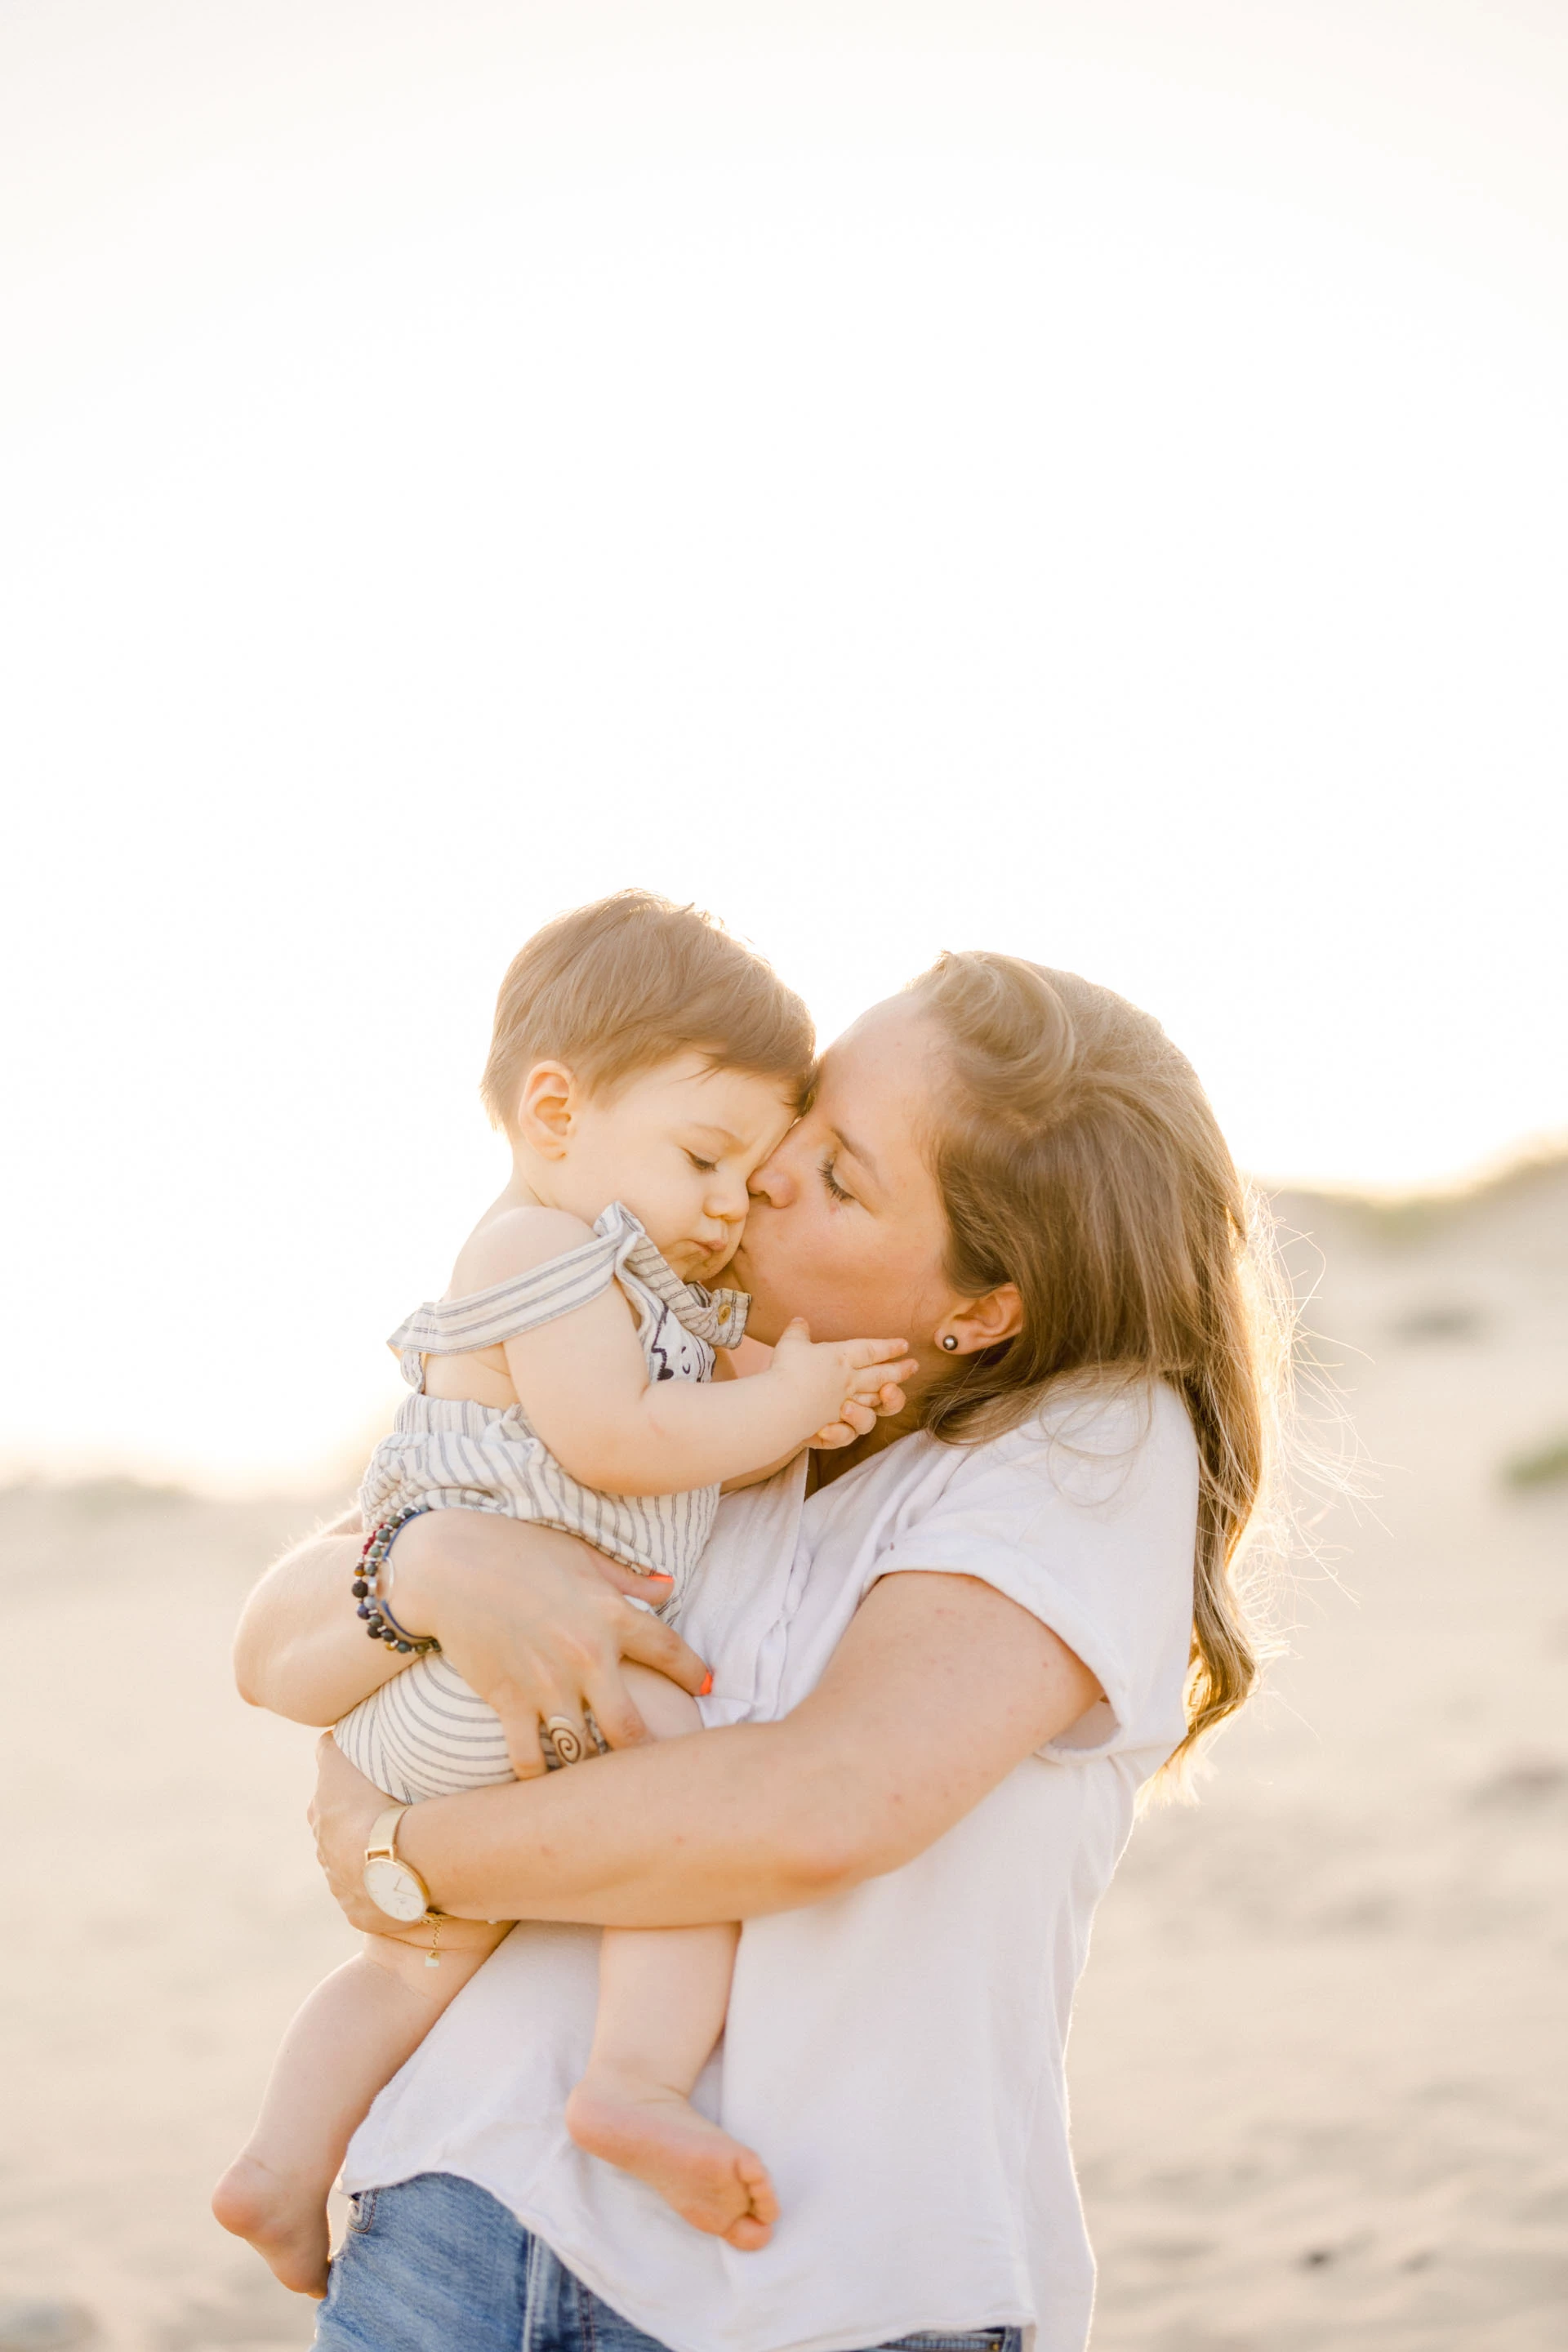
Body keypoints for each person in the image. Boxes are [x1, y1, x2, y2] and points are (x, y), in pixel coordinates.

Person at [235, 944, 1285, 2352]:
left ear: (984, 1307)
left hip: (818, 2284)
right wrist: (434, 1560)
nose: (769, 1176)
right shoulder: (667, 1367)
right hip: (460, 2216)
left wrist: (405, 1853)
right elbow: (273, 1648)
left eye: (842, 1176)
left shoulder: (1091, 1441)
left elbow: (818, 1808)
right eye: (799, 1124)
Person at [213, 894, 916, 2294]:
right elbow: (618, 1442)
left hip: (461, 1687)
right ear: (554, 1110)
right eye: (707, 1155)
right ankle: (637, 2081)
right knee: (677, 1790)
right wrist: (787, 1399)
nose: (731, 1200)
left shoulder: (631, 1271)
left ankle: (280, 2168)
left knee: (415, 1965)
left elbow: (685, 1398)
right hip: (472, 1676)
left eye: (754, 1170)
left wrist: (802, 1396)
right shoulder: (538, 1256)